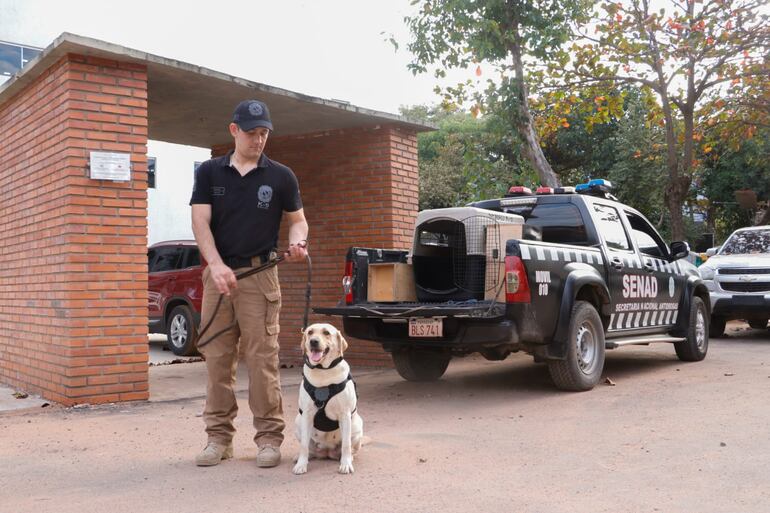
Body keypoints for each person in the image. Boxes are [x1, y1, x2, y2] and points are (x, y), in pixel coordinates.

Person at [190, 99, 308, 468]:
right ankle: (218, 440)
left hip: (261, 277)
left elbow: (298, 220)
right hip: (218, 277)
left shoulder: (281, 176)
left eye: (264, 133)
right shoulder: (209, 173)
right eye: (251, 133)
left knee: (262, 360)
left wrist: (296, 242)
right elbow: (200, 222)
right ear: (233, 130)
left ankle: (269, 439)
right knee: (217, 360)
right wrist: (216, 265)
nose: (258, 140)